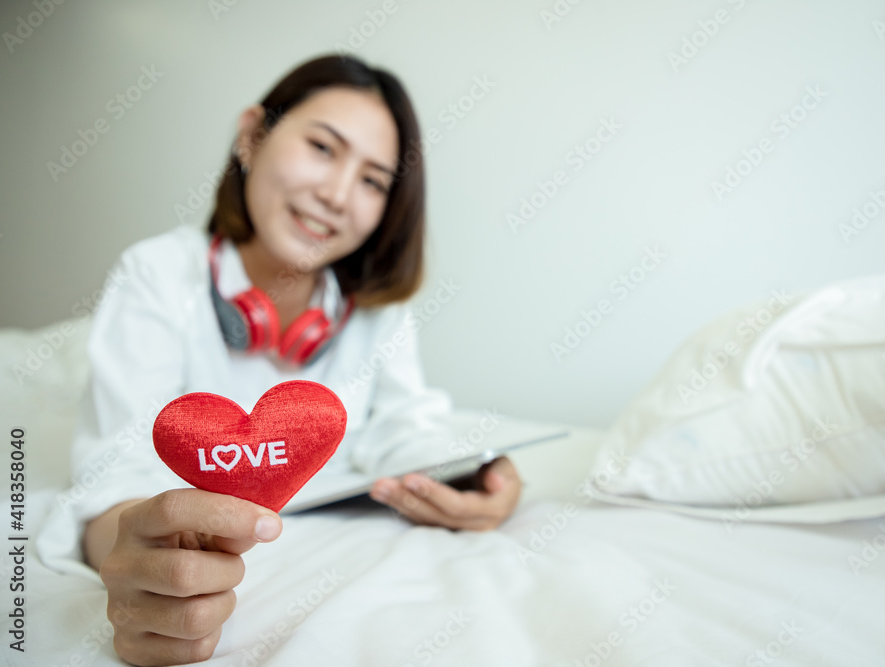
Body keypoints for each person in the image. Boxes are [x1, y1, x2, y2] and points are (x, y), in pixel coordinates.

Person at [36, 53, 522, 666]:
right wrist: (131, 558)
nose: (337, 194)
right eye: (322, 147)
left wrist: (469, 479)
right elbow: (114, 477)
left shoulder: (376, 311)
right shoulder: (157, 273)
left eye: (373, 180)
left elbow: (405, 428)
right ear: (252, 137)